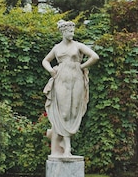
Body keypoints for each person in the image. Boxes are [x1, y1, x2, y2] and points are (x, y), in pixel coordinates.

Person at [42, 20, 99, 157]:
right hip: (61, 80)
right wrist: (50, 70)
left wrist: (81, 66)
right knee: (64, 113)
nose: (72, 34)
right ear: (63, 32)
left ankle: (64, 143)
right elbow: (45, 61)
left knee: (74, 111)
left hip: (76, 79)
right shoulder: (57, 48)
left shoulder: (78, 46)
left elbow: (95, 57)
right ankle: (66, 147)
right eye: (69, 32)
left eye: (73, 31)